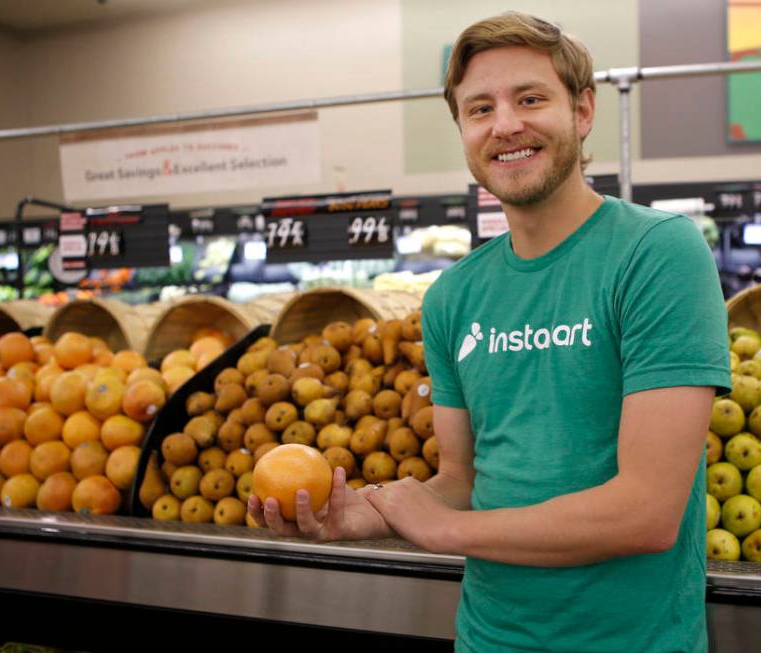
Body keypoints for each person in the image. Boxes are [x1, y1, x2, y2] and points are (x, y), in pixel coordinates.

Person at [249, 11, 730, 653]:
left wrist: (444, 533)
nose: (505, 125)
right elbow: (461, 482)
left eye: (530, 98)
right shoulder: (453, 296)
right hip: (487, 638)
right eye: (480, 109)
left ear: (584, 111)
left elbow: (646, 513)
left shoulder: (658, 253)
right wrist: (368, 512)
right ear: (464, 131)